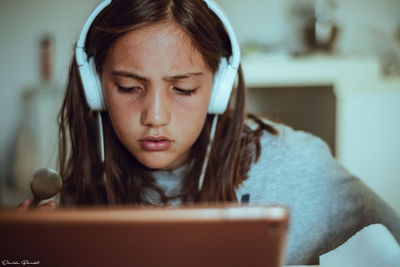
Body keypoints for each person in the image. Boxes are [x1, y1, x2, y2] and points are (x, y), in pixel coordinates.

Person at [17, 0, 400, 265]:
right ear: (95, 88)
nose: (155, 117)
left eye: (183, 90)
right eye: (129, 88)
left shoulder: (300, 165)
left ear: (218, 91)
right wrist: (21, 254)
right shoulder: (80, 183)